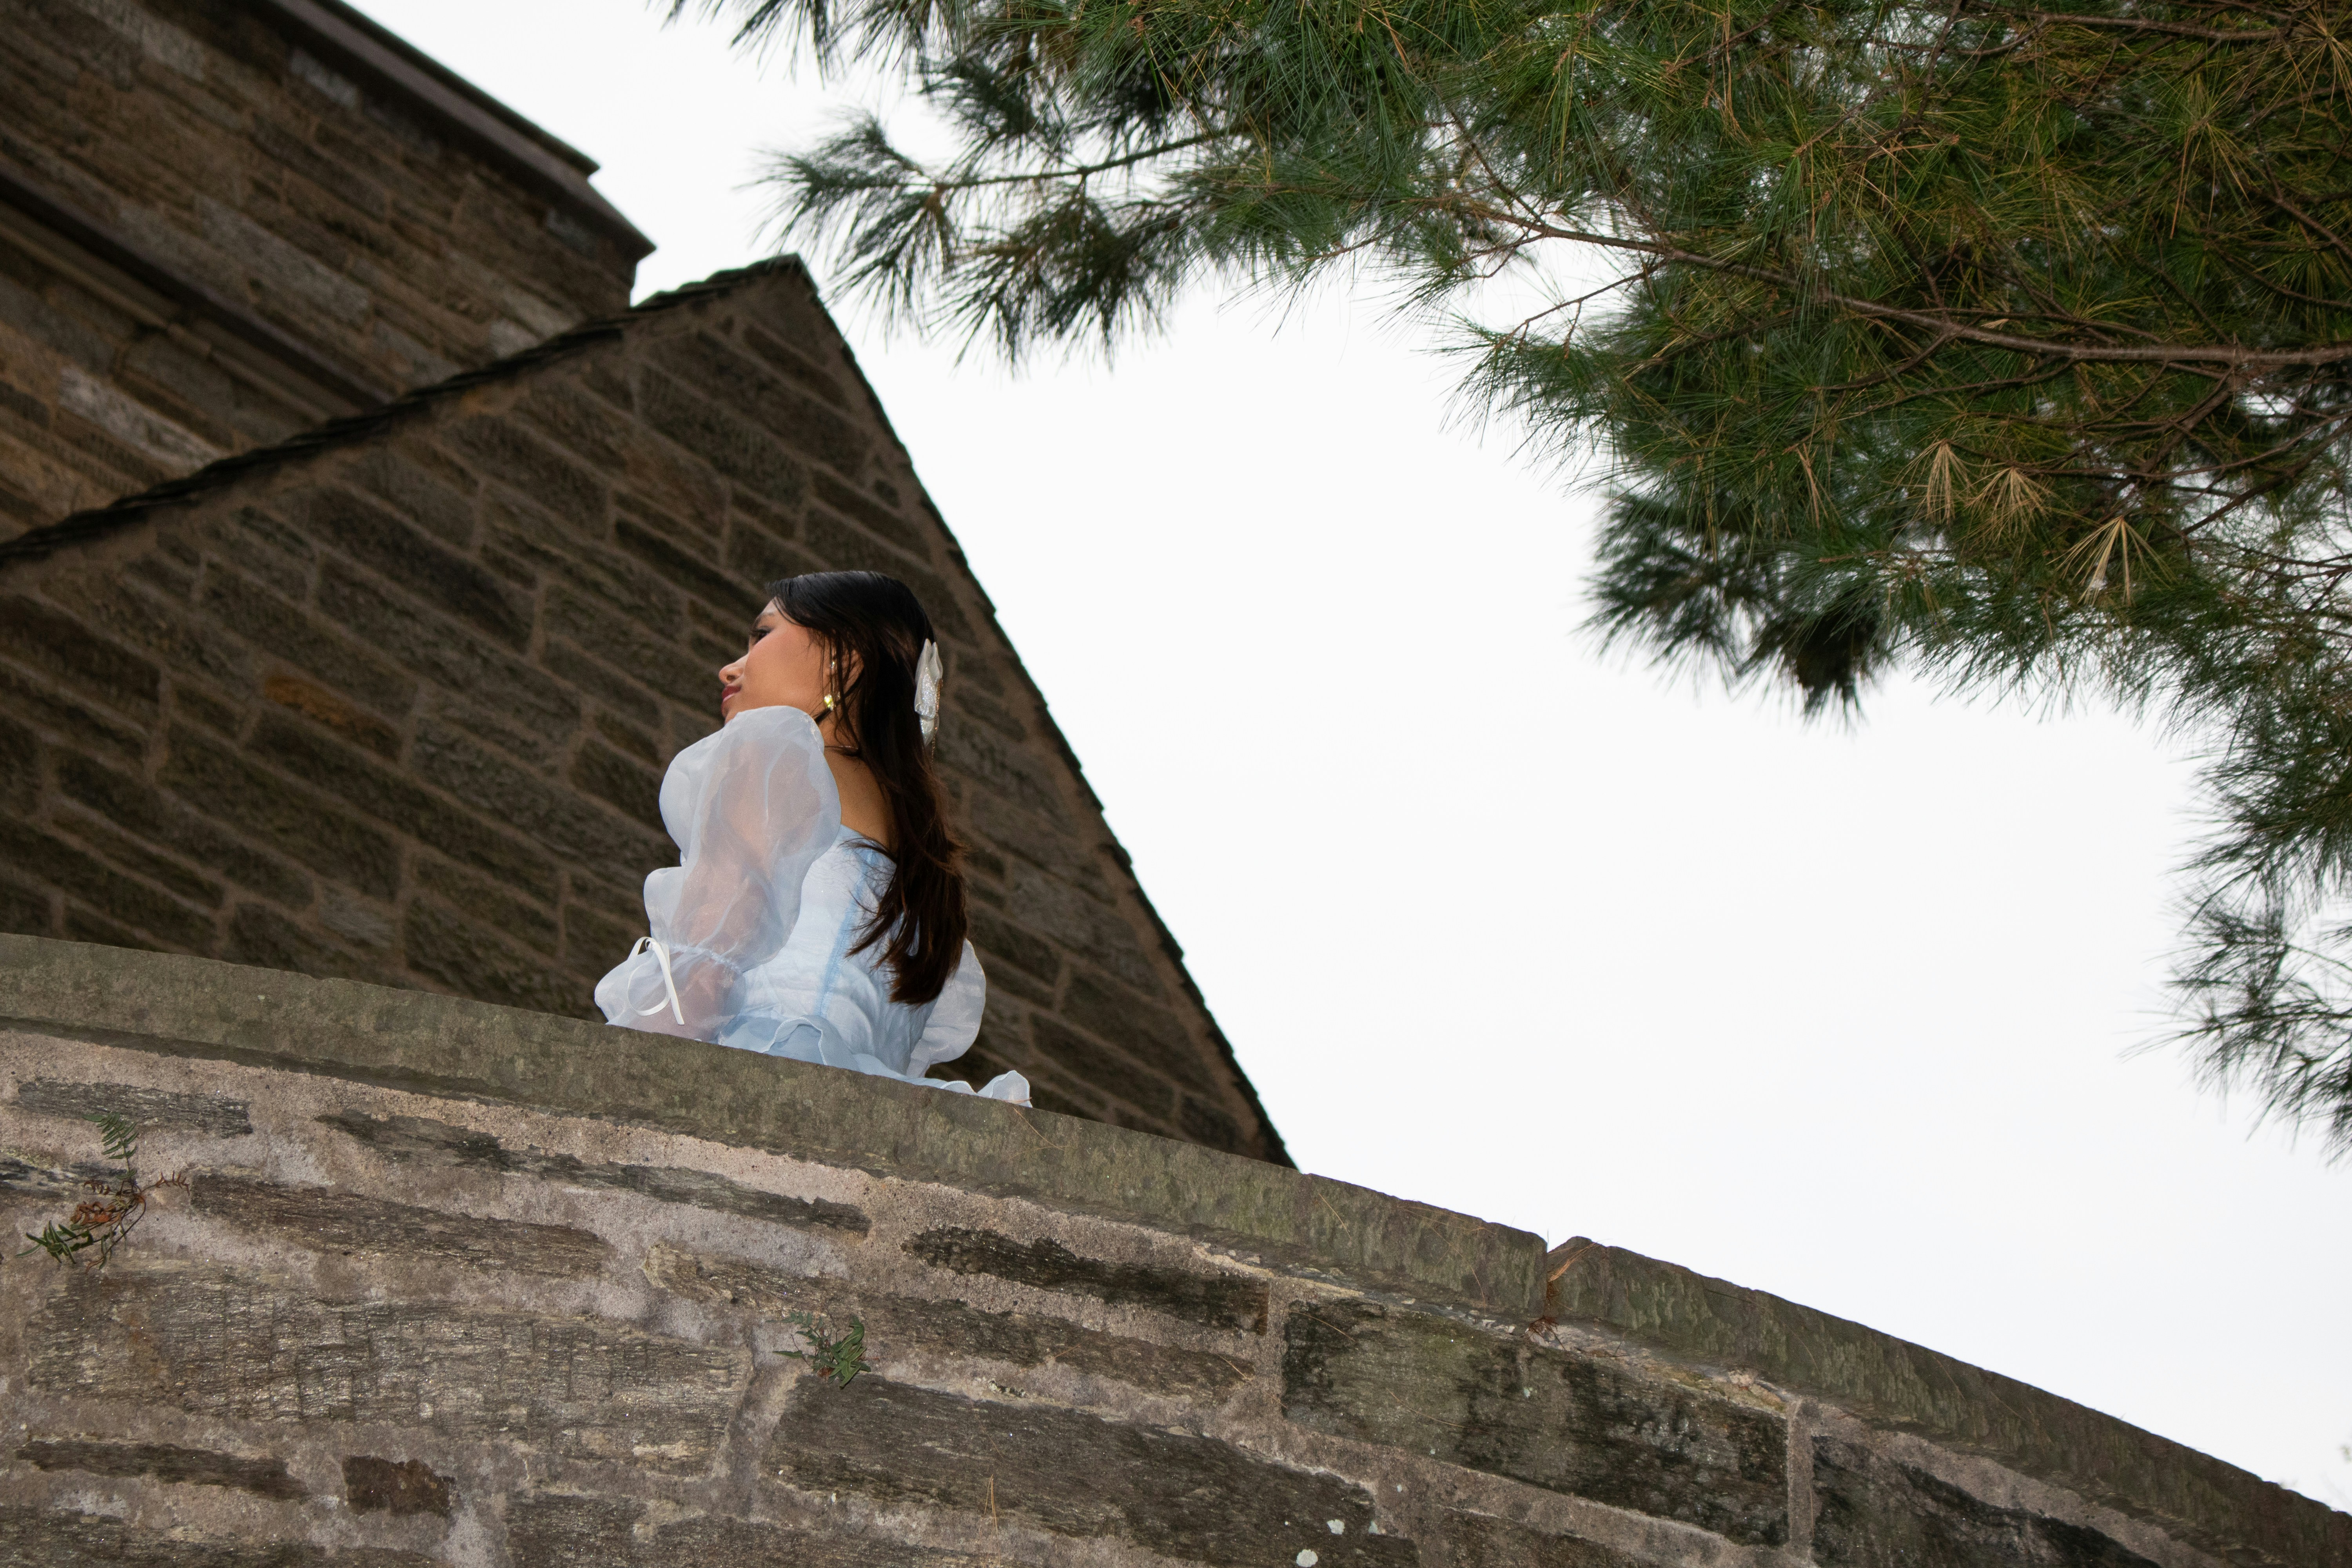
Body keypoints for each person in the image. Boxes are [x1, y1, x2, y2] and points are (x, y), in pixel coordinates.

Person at [594, 570, 1028, 1104]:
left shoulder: (770, 759)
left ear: (843, 662)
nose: (730, 667)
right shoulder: (919, 859)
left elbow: (706, 974)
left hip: (751, 1083)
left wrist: (614, 1093)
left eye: (762, 635)